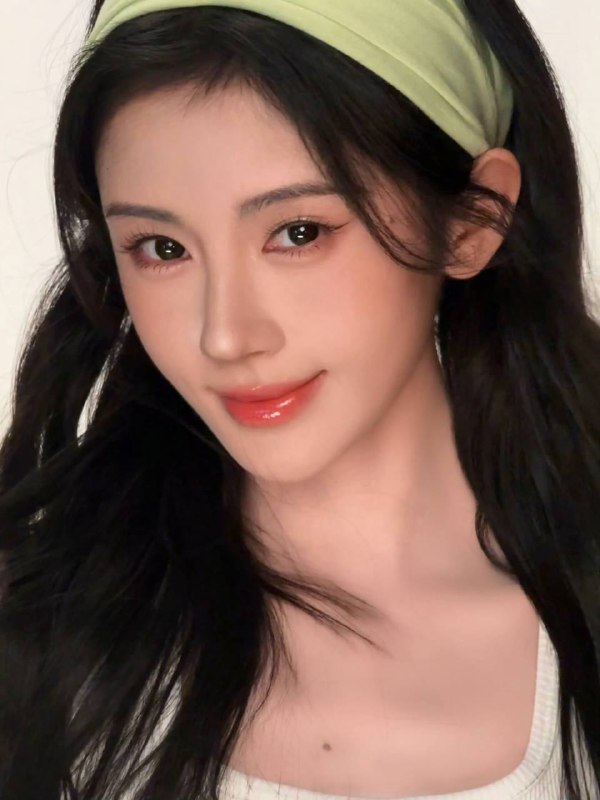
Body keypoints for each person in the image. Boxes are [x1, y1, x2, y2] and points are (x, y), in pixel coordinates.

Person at [0, 0, 599, 798]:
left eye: (299, 233)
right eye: (163, 248)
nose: (225, 336)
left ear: (471, 220)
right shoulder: (35, 629)